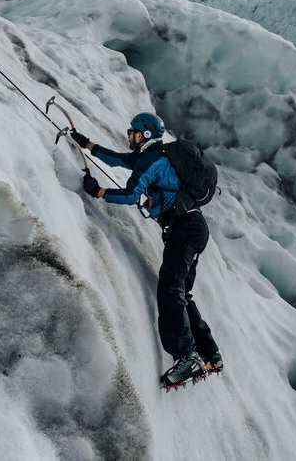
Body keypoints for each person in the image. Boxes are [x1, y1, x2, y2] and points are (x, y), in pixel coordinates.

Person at [70, 112, 223, 388]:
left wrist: (98, 192)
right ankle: (210, 354)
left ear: (146, 135)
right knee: (181, 291)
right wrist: (88, 145)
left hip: (185, 229)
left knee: (171, 288)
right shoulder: (152, 157)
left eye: (134, 133)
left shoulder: (152, 161)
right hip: (193, 227)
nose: (130, 136)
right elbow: (118, 159)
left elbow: (130, 195)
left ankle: (187, 355)